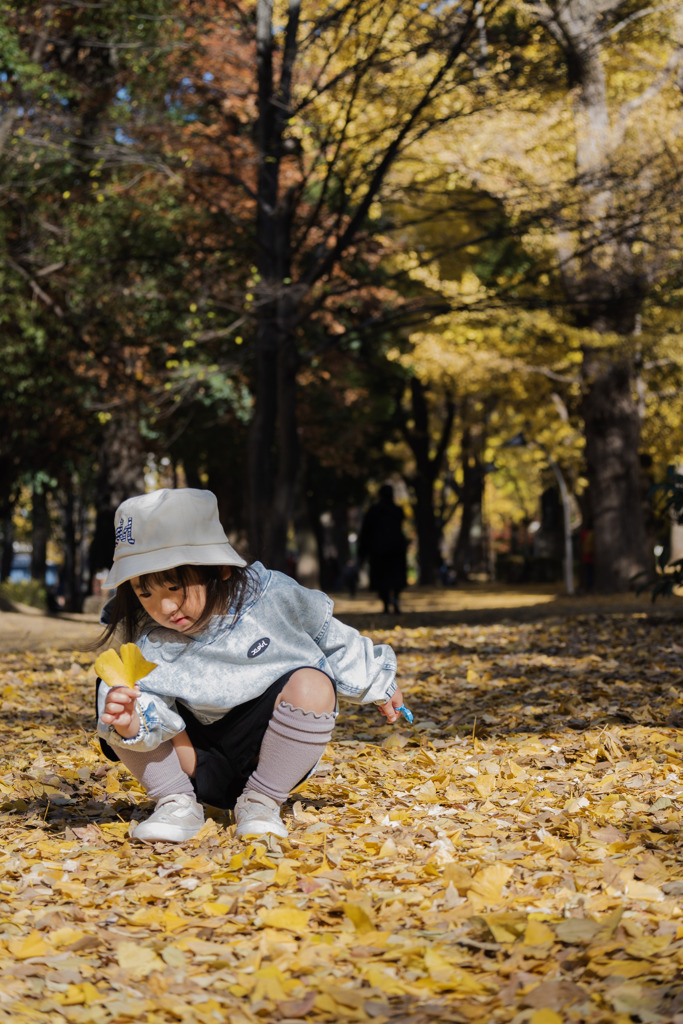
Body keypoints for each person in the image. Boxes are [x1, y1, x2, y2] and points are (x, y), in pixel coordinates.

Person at [95, 488, 404, 844]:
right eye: (144, 592)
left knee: (313, 683)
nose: (164, 608)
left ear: (220, 567)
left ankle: (261, 803)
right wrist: (128, 719)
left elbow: (329, 635)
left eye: (175, 586)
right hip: (190, 762)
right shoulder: (150, 640)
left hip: (271, 755)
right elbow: (139, 709)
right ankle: (175, 803)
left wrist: (379, 682)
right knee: (115, 688)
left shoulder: (272, 598)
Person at [357, 484, 408, 614]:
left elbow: (365, 533)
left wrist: (362, 553)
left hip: (379, 550)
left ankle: (386, 604)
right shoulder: (397, 510)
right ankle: (395, 600)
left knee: (382, 579)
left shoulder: (374, 511)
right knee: (395, 578)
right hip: (396, 550)